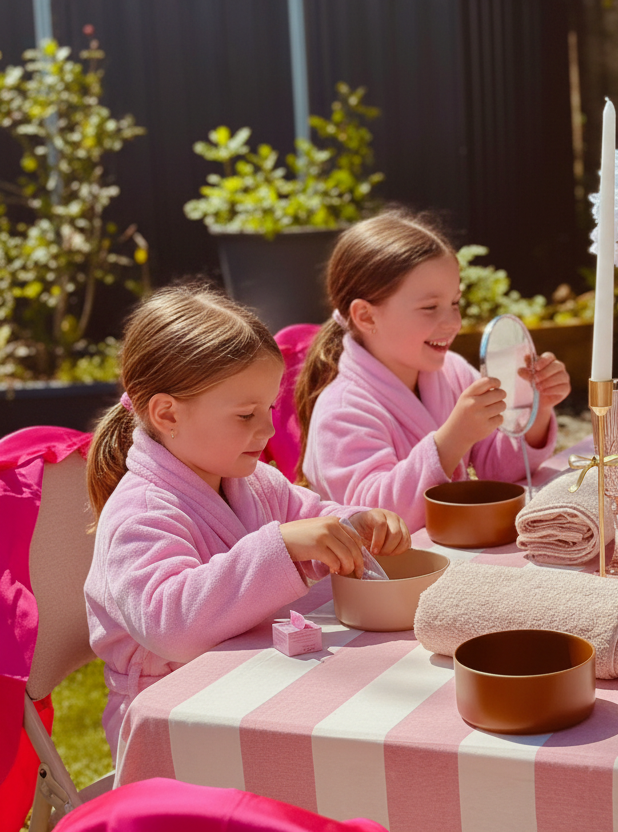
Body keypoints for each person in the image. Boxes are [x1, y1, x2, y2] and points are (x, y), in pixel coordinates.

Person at [85, 286, 411, 756]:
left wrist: (355, 523)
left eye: (270, 409)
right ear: (166, 413)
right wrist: (281, 547)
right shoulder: (139, 513)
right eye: (245, 415)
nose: (269, 430)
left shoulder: (251, 480)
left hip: (250, 693)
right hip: (175, 723)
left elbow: (311, 516)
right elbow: (170, 624)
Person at [296, 210, 570, 530]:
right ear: (366, 316)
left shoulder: (452, 372)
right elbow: (375, 518)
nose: (454, 322)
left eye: (455, 303)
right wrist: (452, 440)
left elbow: (501, 472)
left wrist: (536, 408)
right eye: (430, 308)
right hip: (383, 576)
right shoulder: (342, 410)